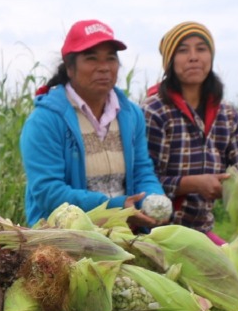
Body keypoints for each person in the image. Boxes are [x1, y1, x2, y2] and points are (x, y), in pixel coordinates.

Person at [19, 19, 166, 228]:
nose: (104, 68)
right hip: (64, 237)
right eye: (92, 59)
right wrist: (115, 208)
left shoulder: (131, 115)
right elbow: (49, 192)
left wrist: (154, 200)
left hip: (125, 233)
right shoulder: (45, 121)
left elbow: (142, 170)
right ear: (70, 68)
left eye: (110, 59)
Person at [143, 21, 238, 244]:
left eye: (201, 48)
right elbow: (144, 180)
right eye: (183, 50)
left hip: (200, 230)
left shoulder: (226, 114)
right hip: (157, 232)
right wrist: (192, 184)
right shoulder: (154, 111)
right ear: (170, 61)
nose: (193, 57)